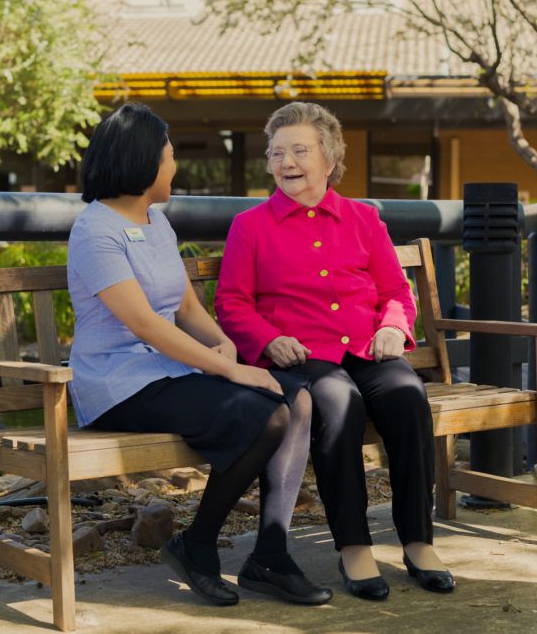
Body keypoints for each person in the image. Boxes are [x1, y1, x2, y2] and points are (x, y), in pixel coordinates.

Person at [67, 102, 331, 607]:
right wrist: (231, 369)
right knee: (268, 415)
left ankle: (270, 556)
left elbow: (185, 304)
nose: (174, 166)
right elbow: (144, 323)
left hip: (170, 371)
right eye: (169, 156)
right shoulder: (95, 230)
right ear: (142, 162)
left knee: (295, 398)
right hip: (120, 383)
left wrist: (220, 341)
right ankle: (198, 545)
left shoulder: (155, 221)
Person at [215, 102, 455, 599]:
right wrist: (267, 340)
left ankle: (417, 539)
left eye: (299, 150)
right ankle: (353, 546)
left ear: (329, 157)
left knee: (408, 397)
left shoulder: (364, 219)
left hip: (368, 350)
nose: (286, 162)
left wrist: (393, 326)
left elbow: (395, 292)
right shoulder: (250, 226)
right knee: (338, 404)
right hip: (304, 358)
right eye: (277, 152)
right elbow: (232, 304)